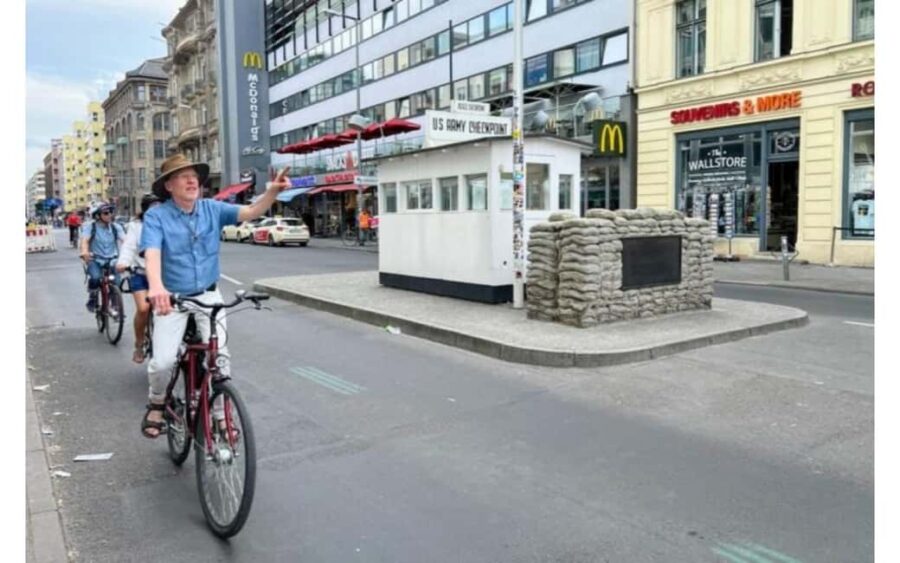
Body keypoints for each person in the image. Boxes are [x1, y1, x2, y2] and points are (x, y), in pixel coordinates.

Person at [138, 154, 291, 439]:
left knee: (220, 356)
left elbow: (251, 212)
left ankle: (221, 414)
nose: (191, 179)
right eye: (183, 176)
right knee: (163, 362)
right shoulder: (156, 216)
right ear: (169, 185)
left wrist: (272, 192)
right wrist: (156, 286)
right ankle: (157, 401)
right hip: (172, 298)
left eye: (194, 175)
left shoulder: (212, 208)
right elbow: (153, 252)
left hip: (208, 295)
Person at [116, 194, 162, 364]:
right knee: (143, 308)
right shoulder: (136, 226)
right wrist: (123, 263)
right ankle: (139, 344)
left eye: (160, 206)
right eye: (153, 207)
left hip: (161, 275)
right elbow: (128, 246)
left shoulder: (167, 224)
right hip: (140, 273)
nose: (157, 211)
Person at [80, 203, 125, 313]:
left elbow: (126, 241)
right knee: (95, 277)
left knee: (117, 281)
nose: (109, 215)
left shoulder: (116, 227)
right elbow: (85, 241)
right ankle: (93, 298)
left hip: (113, 259)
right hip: (95, 259)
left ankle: (115, 304)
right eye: (106, 213)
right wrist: (85, 252)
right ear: (98, 215)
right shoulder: (91, 227)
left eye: (110, 212)